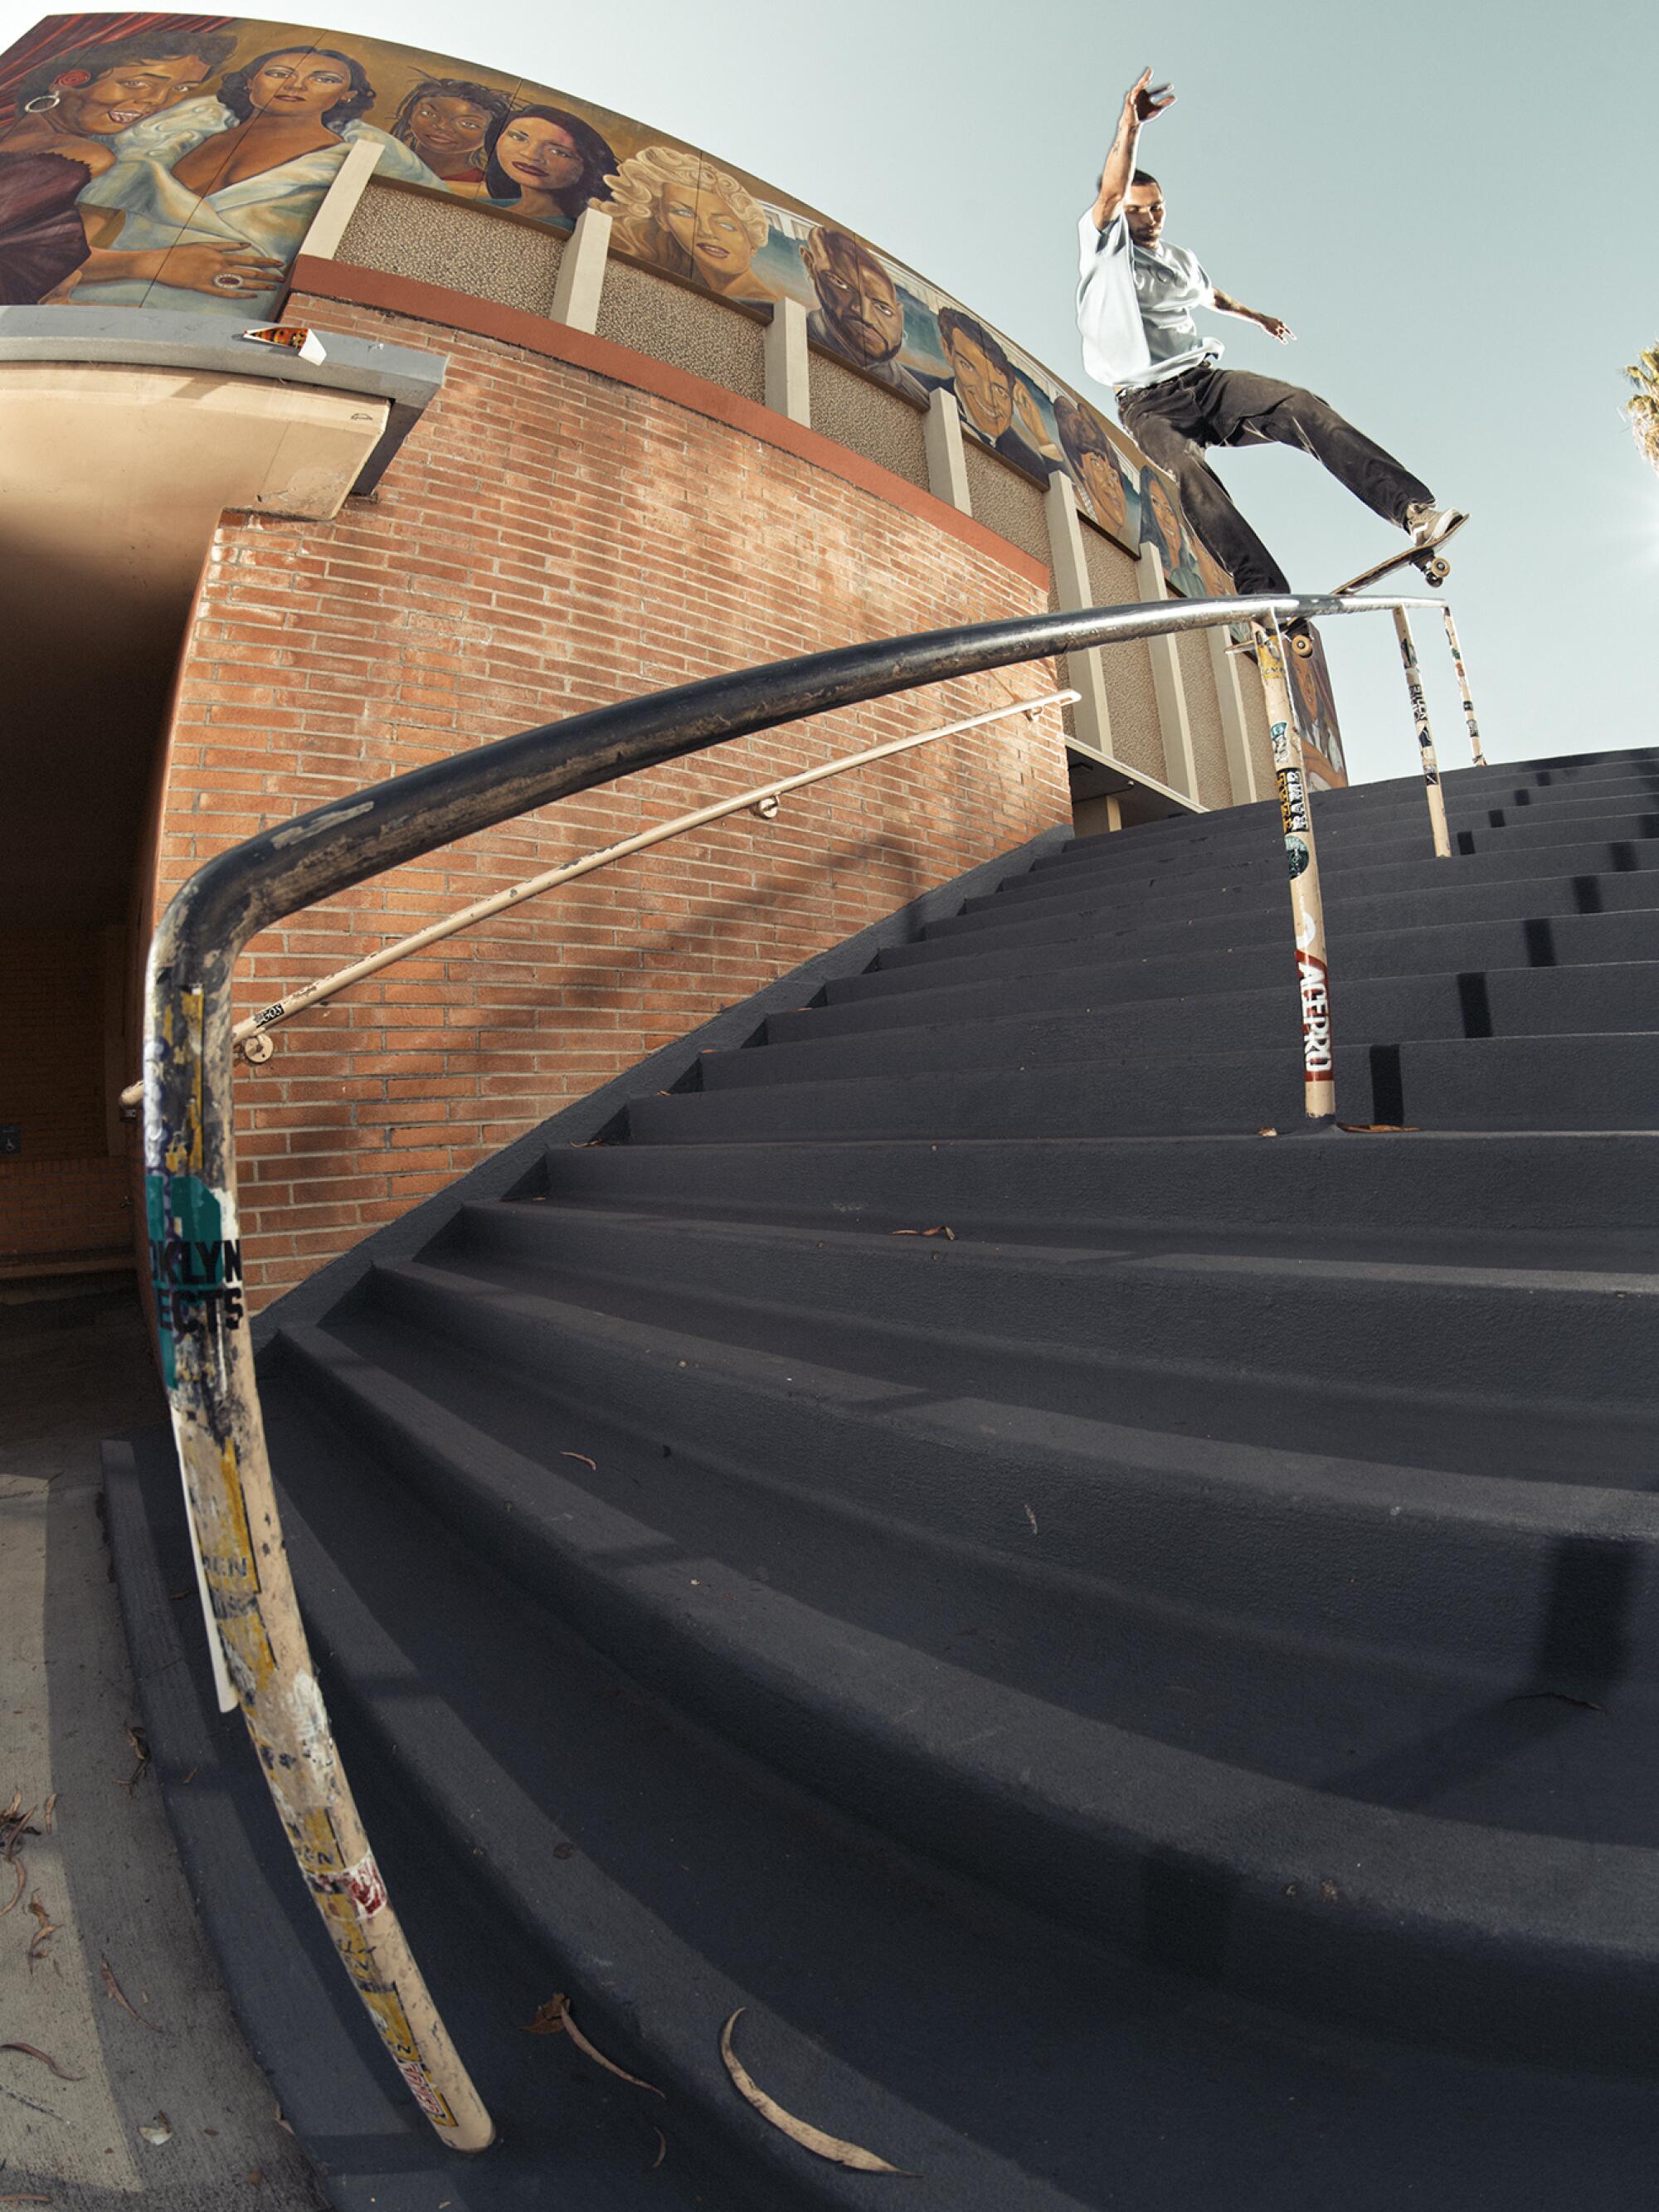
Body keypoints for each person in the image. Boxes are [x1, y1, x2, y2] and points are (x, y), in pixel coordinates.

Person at [1077, 67, 1465, 609]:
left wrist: (1259, 318)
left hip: (1208, 385)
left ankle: (1411, 511)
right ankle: (1264, 593)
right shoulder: (1105, 247)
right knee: (1189, 470)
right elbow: (1115, 187)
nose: (1150, 218)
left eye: (1158, 207)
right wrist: (1129, 126)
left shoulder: (1182, 260)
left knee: (1302, 405)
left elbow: (1214, 299)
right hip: (1148, 405)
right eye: (1138, 211)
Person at [69, 46, 440, 314]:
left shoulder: (353, 167)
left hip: (226, 330)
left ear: (346, 96)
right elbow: (62, 255)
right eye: (280, 73)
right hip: (92, 309)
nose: (297, 85)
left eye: (323, 79)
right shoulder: (163, 146)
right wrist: (150, 264)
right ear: (251, 83)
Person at [0, 28, 236, 303]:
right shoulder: (84, 157)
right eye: (137, 84)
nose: (158, 101)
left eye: (181, 89)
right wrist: (148, 263)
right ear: (70, 79)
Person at [606, 143, 770, 299]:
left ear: (753, 242)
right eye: (684, 213)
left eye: (725, 225)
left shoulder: (762, 304)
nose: (705, 231)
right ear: (662, 220)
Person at [800, 225, 926, 396]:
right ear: (810, 264)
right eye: (841, 284)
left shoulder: (919, 396)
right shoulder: (784, 328)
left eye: (883, 308)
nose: (866, 316)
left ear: (900, 315)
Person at [484, 105, 616, 231]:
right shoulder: (488, 205)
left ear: (588, 166)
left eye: (558, 152)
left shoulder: (575, 229)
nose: (530, 155)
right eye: (518, 137)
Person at [390, 76, 511, 196]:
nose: (442, 126)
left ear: (491, 134)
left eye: (468, 124)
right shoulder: (387, 162)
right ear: (410, 115)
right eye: (429, 113)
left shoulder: (488, 190)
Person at [1053, 389, 1133, 537]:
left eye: (1114, 475)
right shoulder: (1068, 506)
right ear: (1080, 468)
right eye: (1096, 464)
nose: (1110, 482)